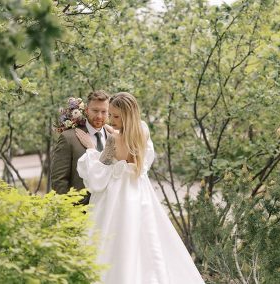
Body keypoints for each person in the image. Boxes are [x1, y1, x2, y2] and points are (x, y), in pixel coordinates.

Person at [76, 92, 205, 283]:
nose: (111, 119)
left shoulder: (113, 140)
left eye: (116, 116)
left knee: (113, 242)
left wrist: (89, 149)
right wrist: (114, 130)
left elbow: (98, 174)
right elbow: (136, 151)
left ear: (128, 116)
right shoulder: (143, 131)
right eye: (110, 115)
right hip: (140, 191)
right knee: (147, 241)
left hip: (117, 197)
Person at [51, 90, 110, 204]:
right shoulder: (69, 138)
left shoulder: (114, 137)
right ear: (87, 110)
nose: (99, 116)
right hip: (81, 211)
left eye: (104, 111)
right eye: (95, 110)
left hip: (107, 210)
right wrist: (70, 210)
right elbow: (59, 180)